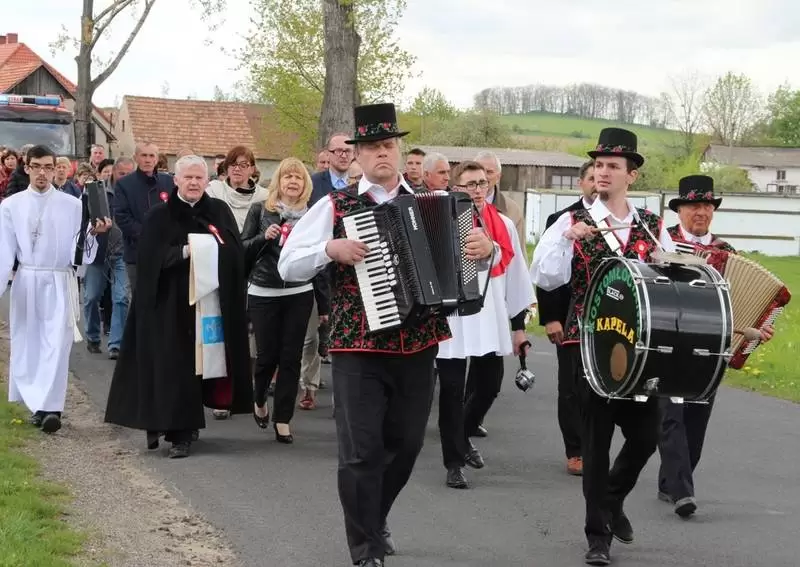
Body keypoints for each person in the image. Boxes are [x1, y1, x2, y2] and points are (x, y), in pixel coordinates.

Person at [278, 103, 495, 567]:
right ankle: (366, 549)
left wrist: (484, 250)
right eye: (372, 146)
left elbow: (467, 273)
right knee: (361, 450)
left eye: (388, 144)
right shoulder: (334, 206)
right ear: (357, 154)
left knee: (407, 445)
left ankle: (373, 519)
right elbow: (287, 264)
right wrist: (328, 248)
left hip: (419, 344)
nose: (382, 153)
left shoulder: (438, 202)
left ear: (398, 150)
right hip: (357, 347)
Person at [530, 128, 676, 566]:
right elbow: (546, 277)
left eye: (613, 166)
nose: (603, 172)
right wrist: (567, 239)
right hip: (588, 343)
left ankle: (612, 498)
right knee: (595, 444)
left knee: (647, 435)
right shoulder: (571, 220)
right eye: (598, 165)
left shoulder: (651, 225)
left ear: (632, 175)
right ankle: (598, 536)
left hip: (640, 349)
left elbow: (670, 279)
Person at [104, 155, 252, 459]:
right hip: (169, 306)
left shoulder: (219, 211)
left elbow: (235, 253)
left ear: (207, 181)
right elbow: (149, 260)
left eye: (199, 178)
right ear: (176, 180)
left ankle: (190, 424)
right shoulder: (160, 215)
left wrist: (215, 251)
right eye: (188, 178)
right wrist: (185, 251)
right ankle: (179, 433)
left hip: (208, 304)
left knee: (201, 366)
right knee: (175, 367)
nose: (194, 183)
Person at [657, 174, 773, 518]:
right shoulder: (663, 242)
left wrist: (756, 328)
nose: (701, 212)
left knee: (696, 419)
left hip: (710, 346)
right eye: (694, 205)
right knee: (671, 414)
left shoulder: (727, 253)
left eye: (707, 205)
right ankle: (682, 491)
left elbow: (740, 304)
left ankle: (670, 482)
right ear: (680, 210)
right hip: (668, 340)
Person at [435, 161, 534, 489]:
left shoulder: (502, 223)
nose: (477, 190)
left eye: (482, 183)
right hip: (452, 315)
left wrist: (519, 326)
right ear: (456, 188)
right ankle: (453, 462)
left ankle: (462, 435)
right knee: (451, 390)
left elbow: (516, 275)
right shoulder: (442, 220)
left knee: (489, 384)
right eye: (470, 184)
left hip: (489, 314)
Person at [0, 145, 111, 433]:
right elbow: (3, 253)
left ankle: (52, 409)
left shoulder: (72, 205)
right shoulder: (11, 206)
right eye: (37, 166)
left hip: (59, 280)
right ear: (27, 168)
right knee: (29, 343)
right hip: (27, 280)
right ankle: (37, 404)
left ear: (55, 170)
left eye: (48, 167)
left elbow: (80, 250)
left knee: (56, 345)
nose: (42, 173)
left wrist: (94, 233)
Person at [241, 157, 328, 440]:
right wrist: (263, 238)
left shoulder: (312, 217)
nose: (293, 181)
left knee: (291, 357)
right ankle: (258, 399)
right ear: (278, 181)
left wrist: (324, 305)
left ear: (305, 185)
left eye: (298, 177)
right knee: (267, 356)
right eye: (288, 176)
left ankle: (283, 419)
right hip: (263, 291)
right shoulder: (260, 210)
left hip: (299, 292)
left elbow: (320, 260)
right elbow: (242, 250)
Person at [535, 160, 595, 476]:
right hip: (570, 314)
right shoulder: (562, 219)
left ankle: (597, 447)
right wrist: (551, 318)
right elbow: (548, 274)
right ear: (581, 183)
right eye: (592, 178)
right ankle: (575, 450)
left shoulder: (628, 221)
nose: (598, 183)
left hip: (611, 318)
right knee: (570, 386)